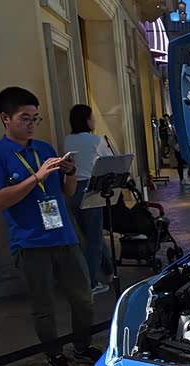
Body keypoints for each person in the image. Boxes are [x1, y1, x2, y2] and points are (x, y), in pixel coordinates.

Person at [0, 87, 101, 366]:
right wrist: (36, 177)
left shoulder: (44, 149)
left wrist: (69, 172)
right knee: (43, 305)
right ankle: (54, 354)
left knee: (83, 297)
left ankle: (82, 346)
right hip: (30, 241)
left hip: (64, 235)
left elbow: (67, 191)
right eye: (25, 118)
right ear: (5, 118)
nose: (32, 124)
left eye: (36, 118)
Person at [64, 104, 113, 294]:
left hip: (72, 188)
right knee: (94, 240)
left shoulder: (68, 140)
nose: (94, 121)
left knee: (91, 235)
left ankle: (108, 268)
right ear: (86, 120)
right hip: (91, 188)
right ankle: (90, 283)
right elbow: (109, 160)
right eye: (92, 117)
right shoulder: (95, 140)